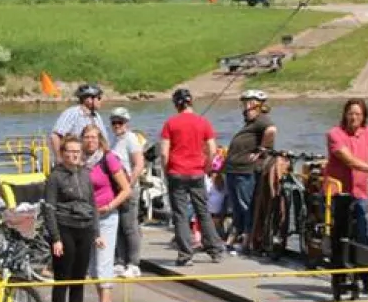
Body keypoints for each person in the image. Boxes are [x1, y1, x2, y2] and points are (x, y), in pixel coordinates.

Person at [323, 99, 368, 292]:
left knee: (363, 234)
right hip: (340, 193)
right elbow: (349, 160)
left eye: (358, 114)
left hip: (362, 192)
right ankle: (339, 279)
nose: (354, 117)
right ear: (345, 114)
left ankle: (367, 279)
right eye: (350, 113)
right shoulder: (334, 134)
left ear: (364, 116)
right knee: (340, 235)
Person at [42, 136, 103, 302]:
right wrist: (56, 238)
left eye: (78, 151)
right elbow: (49, 208)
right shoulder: (55, 177)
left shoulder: (85, 174)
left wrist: (96, 233)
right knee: (63, 278)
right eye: (71, 151)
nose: (75, 155)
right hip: (64, 226)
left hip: (84, 227)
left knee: (79, 277)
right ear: (63, 153)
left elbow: (92, 204)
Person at [159, 87, 224, 266]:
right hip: (197, 172)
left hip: (177, 173)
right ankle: (215, 250)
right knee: (203, 211)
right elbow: (212, 149)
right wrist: (207, 167)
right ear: (191, 102)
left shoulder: (170, 123)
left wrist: (166, 170)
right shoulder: (203, 122)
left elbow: (164, 153)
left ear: (176, 104)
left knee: (180, 214)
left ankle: (185, 255)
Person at [81, 124, 131, 302]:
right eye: (87, 137)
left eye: (94, 137)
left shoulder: (107, 158)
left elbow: (126, 189)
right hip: (89, 218)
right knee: (93, 268)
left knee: (104, 264)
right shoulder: (82, 161)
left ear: (99, 139)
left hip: (107, 216)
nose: (90, 140)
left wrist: (110, 205)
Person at [222, 89, 276, 253]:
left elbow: (271, 130)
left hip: (245, 171)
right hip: (234, 169)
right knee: (237, 207)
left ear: (256, 105)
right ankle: (235, 236)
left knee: (246, 206)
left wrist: (262, 150)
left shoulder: (262, 120)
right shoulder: (250, 123)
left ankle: (248, 239)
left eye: (247, 104)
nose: (244, 108)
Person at [107, 107, 146, 276]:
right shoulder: (114, 140)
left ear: (126, 123)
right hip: (115, 189)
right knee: (118, 226)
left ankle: (134, 263)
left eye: (120, 122)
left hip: (128, 188)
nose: (117, 126)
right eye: (114, 122)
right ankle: (120, 261)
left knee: (130, 226)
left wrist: (130, 183)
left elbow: (138, 164)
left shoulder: (130, 139)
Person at [50, 83, 109, 164]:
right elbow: (55, 136)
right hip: (78, 163)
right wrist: (59, 158)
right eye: (98, 98)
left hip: (96, 163)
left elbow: (104, 140)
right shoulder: (72, 113)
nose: (101, 101)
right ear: (88, 99)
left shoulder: (97, 116)